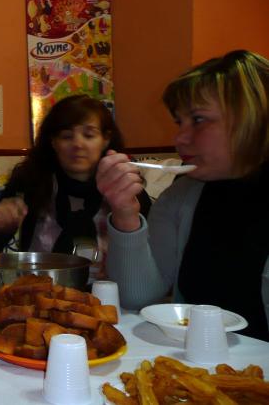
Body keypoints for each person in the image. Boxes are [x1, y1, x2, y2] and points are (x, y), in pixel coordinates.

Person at [97, 50, 269, 340]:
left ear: (254, 119)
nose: (179, 138)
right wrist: (125, 215)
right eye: (179, 122)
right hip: (196, 362)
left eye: (198, 120)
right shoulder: (181, 195)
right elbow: (137, 298)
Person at [0, 95, 151, 280]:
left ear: (106, 139)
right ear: (53, 142)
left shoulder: (126, 190)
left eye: (89, 135)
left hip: (112, 293)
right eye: (67, 136)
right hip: (37, 290)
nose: (78, 144)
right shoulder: (29, 182)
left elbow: (150, 264)